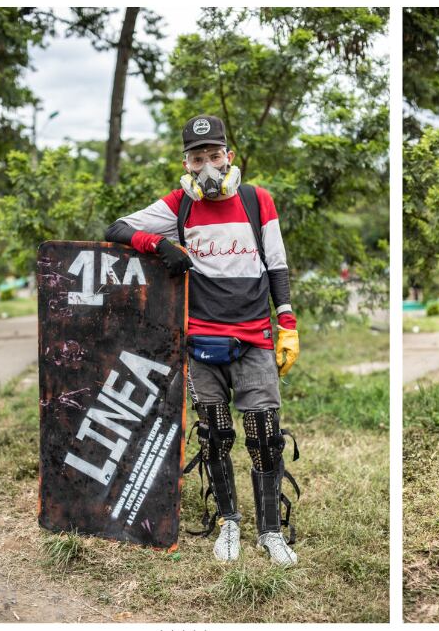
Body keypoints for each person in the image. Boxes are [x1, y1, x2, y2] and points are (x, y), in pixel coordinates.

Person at [105, 114, 301, 566]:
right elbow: (116, 229)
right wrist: (159, 246)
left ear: (229, 157)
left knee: (265, 435)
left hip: (254, 340)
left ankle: (270, 531)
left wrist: (286, 322)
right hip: (201, 344)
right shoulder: (180, 206)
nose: (208, 166)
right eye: (198, 158)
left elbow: (277, 265)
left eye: (215, 155)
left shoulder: (257, 201)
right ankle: (229, 522)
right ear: (187, 163)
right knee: (214, 435)